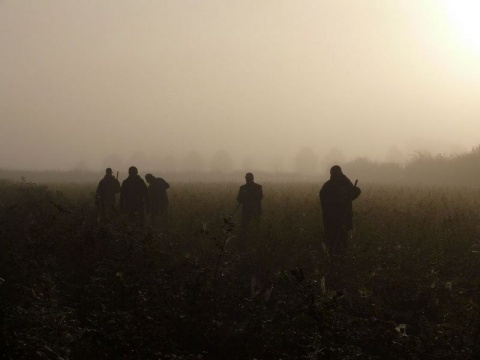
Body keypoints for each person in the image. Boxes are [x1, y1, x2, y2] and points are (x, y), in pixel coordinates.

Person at [319, 165, 361, 255]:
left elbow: (356, 192)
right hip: (332, 220)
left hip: (344, 219)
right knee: (333, 242)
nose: (336, 175)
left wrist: (352, 193)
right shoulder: (328, 186)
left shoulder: (345, 183)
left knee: (342, 242)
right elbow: (325, 202)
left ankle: (340, 259)